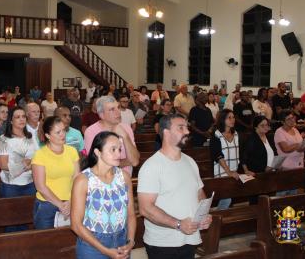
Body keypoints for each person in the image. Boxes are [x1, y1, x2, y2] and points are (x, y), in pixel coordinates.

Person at [138, 114, 212, 258]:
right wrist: (178, 224)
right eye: (181, 128)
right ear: (166, 132)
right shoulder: (152, 166)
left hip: (189, 238)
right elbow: (145, 209)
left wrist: (203, 216)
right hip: (163, 243)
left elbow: (199, 193)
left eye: (187, 127)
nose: (187, 131)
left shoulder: (190, 161)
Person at [71, 131, 136, 259]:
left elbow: (131, 214)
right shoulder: (84, 180)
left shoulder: (124, 177)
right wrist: (105, 250)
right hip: (93, 243)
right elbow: (76, 225)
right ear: (97, 152)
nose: (119, 154)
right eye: (113, 150)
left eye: (119, 149)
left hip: (121, 239)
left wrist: (130, 241)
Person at [32, 116, 80, 229]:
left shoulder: (72, 151)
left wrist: (70, 200)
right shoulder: (40, 155)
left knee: (69, 244)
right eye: (58, 132)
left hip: (71, 202)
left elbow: (77, 179)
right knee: (46, 243)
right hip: (47, 205)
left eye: (63, 130)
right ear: (48, 136)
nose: (62, 134)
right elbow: (41, 186)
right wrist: (61, 205)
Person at [0, 107, 37, 231]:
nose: (21, 119)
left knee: (25, 220)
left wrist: (28, 163)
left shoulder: (31, 137)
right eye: (17, 117)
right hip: (11, 185)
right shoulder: (4, 139)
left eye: (23, 116)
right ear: (11, 121)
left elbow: (37, 159)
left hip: (30, 184)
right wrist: (25, 164)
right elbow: (3, 165)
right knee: (11, 222)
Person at [84, 96, 139, 174]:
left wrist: (125, 136)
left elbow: (135, 161)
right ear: (102, 115)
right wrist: (126, 161)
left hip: (125, 180)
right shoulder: (91, 131)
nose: (118, 112)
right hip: (102, 180)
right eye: (112, 109)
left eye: (118, 107)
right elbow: (95, 162)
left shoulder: (126, 128)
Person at [210, 109, 240, 210]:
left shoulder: (236, 134)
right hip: (222, 171)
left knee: (228, 200)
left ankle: (221, 219)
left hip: (234, 171)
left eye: (233, 117)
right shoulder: (216, 135)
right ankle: (217, 218)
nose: (232, 120)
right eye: (229, 118)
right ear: (223, 120)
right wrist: (229, 172)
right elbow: (218, 155)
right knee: (227, 199)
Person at [274, 110, 305, 196]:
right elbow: (285, 149)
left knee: (295, 195)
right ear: (282, 122)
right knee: (283, 194)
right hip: (286, 167)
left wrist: (303, 146)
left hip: (298, 165)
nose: (292, 120)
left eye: (292, 118)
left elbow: (301, 147)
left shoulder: (295, 130)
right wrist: (297, 145)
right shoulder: (279, 132)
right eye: (289, 119)